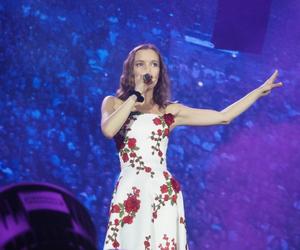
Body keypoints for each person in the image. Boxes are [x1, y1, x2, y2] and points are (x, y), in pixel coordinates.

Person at [100, 43, 283, 249]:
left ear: (160, 72)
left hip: (161, 191)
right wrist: (135, 95)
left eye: (154, 64)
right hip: (130, 188)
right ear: (131, 70)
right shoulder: (113, 103)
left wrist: (257, 92)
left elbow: (223, 116)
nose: (148, 70)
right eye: (140, 64)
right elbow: (109, 130)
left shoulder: (171, 111)